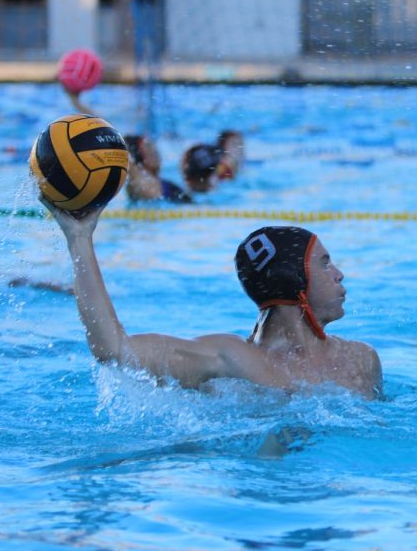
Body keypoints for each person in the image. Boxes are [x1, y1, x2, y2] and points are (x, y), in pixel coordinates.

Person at [40, 197, 383, 398]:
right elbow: (113, 351)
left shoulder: (361, 361)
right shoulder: (231, 359)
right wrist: (80, 239)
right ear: (293, 279)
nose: (339, 273)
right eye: (324, 263)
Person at [124, 134, 193, 203]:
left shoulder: (167, 185)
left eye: (154, 148)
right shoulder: (137, 183)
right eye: (149, 148)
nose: (156, 152)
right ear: (137, 156)